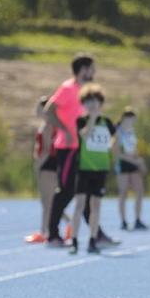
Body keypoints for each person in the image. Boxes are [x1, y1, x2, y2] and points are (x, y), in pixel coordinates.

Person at [45, 54, 117, 248]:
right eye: (91, 68)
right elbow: (48, 111)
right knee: (66, 191)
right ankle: (53, 235)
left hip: (86, 150)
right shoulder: (67, 88)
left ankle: (96, 235)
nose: (94, 72)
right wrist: (65, 130)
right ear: (83, 69)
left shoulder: (87, 91)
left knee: (86, 194)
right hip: (68, 148)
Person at [69, 84, 118, 254]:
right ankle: (74, 240)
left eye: (95, 101)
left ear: (100, 102)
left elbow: (115, 138)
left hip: (101, 169)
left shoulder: (107, 122)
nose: (91, 104)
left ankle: (92, 239)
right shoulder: (81, 121)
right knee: (79, 205)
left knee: (96, 206)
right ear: (83, 104)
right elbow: (84, 135)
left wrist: (111, 148)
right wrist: (92, 118)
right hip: (84, 169)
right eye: (88, 101)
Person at [26, 96, 59, 243]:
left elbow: (46, 149)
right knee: (48, 200)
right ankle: (64, 225)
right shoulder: (47, 124)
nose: (36, 110)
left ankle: (45, 231)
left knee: (47, 201)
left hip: (47, 164)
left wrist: (39, 165)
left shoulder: (48, 125)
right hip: (48, 164)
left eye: (39, 107)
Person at [115, 108, 148, 231]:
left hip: (133, 163)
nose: (132, 122)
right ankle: (123, 221)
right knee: (123, 192)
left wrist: (139, 162)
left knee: (139, 191)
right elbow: (117, 153)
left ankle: (138, 219)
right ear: (124, 118)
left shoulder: (132, 131)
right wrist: (134, 161)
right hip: (123, 163)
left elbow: (133, 149)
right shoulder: (118, 132)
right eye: (130, 119)